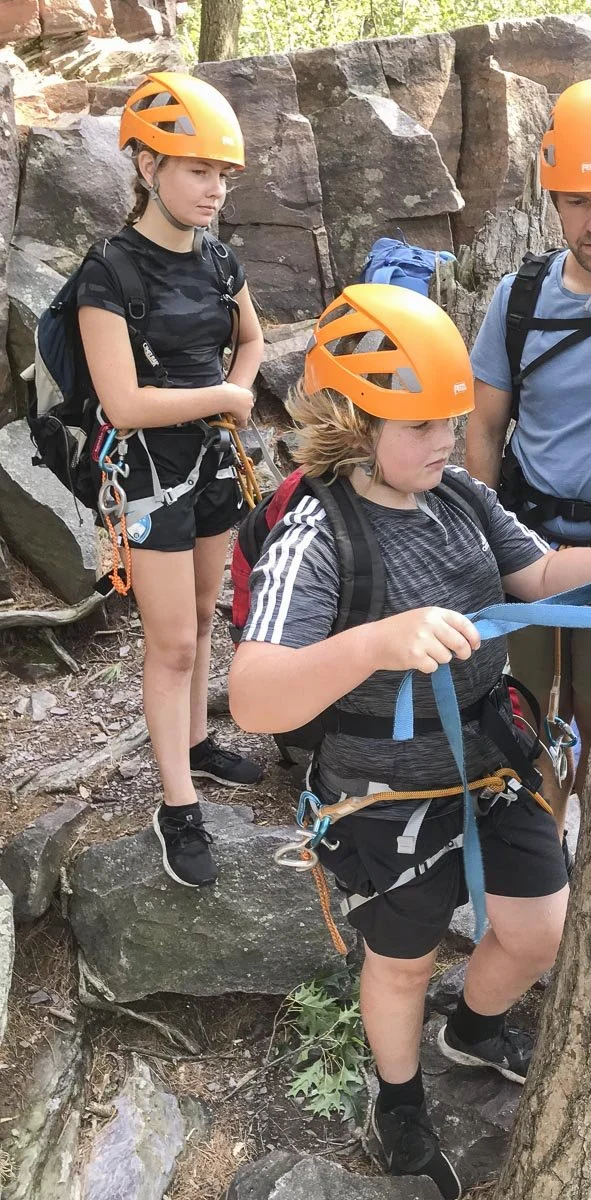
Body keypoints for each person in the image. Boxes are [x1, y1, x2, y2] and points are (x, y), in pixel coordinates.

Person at [229, 283, 591, 1199]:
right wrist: (376, 641)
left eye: (451, 416)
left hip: (489, 765)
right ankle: (396, 1094)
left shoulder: (461, 498)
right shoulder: (318, 535)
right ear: (353, 421)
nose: (448, 438)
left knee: (538, 931)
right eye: (420, 424)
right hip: (386, 796)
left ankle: (474, 1029)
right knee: (400, 963)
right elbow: (251, 697)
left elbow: (542, 573)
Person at [77, 71, 265, 889]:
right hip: (152, 472)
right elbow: (121, 401)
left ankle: (195, 744)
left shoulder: (220, 260)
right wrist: (225, 395)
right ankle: (176, 807)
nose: (214, 189)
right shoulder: (109, 271)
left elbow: (249, 338)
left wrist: (242, 387)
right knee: (175, 640)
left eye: (224, 175)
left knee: (199, 611)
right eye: (198, 170)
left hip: (213, 463)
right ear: (147, 166)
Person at [465, 77, 591, 846]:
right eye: (578, 202)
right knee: (528, 710)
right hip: (529, 541)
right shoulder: (519, 301)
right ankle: (543, 856)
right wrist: (482, 535)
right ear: (554, 202)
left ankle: (587, 847)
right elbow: (483, 427)